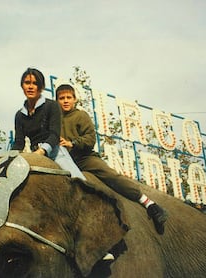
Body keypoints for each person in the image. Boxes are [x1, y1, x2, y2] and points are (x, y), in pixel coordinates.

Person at [56, 84, 168, 236]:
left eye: (69, 97)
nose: (65, 101)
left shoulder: (81, 116)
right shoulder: (55, 119)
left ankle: (149, 204)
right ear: (57, 101)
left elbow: (90, 139)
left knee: (111, 176)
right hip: (65, 160)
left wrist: (72, 143)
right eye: (62, 98)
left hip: (84, 158)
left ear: (75, 99)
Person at [11, 68, 85, 179]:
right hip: (34, 154)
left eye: (35, 83)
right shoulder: (19, 115)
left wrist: (41, 151)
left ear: (41, 87)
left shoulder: (52, 106)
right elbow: (18, 143)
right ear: (22, 86)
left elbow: (54, 134)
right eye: (27, 83)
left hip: (55, 154)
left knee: (78, 181)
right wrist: (10, 158)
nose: (30, 87)